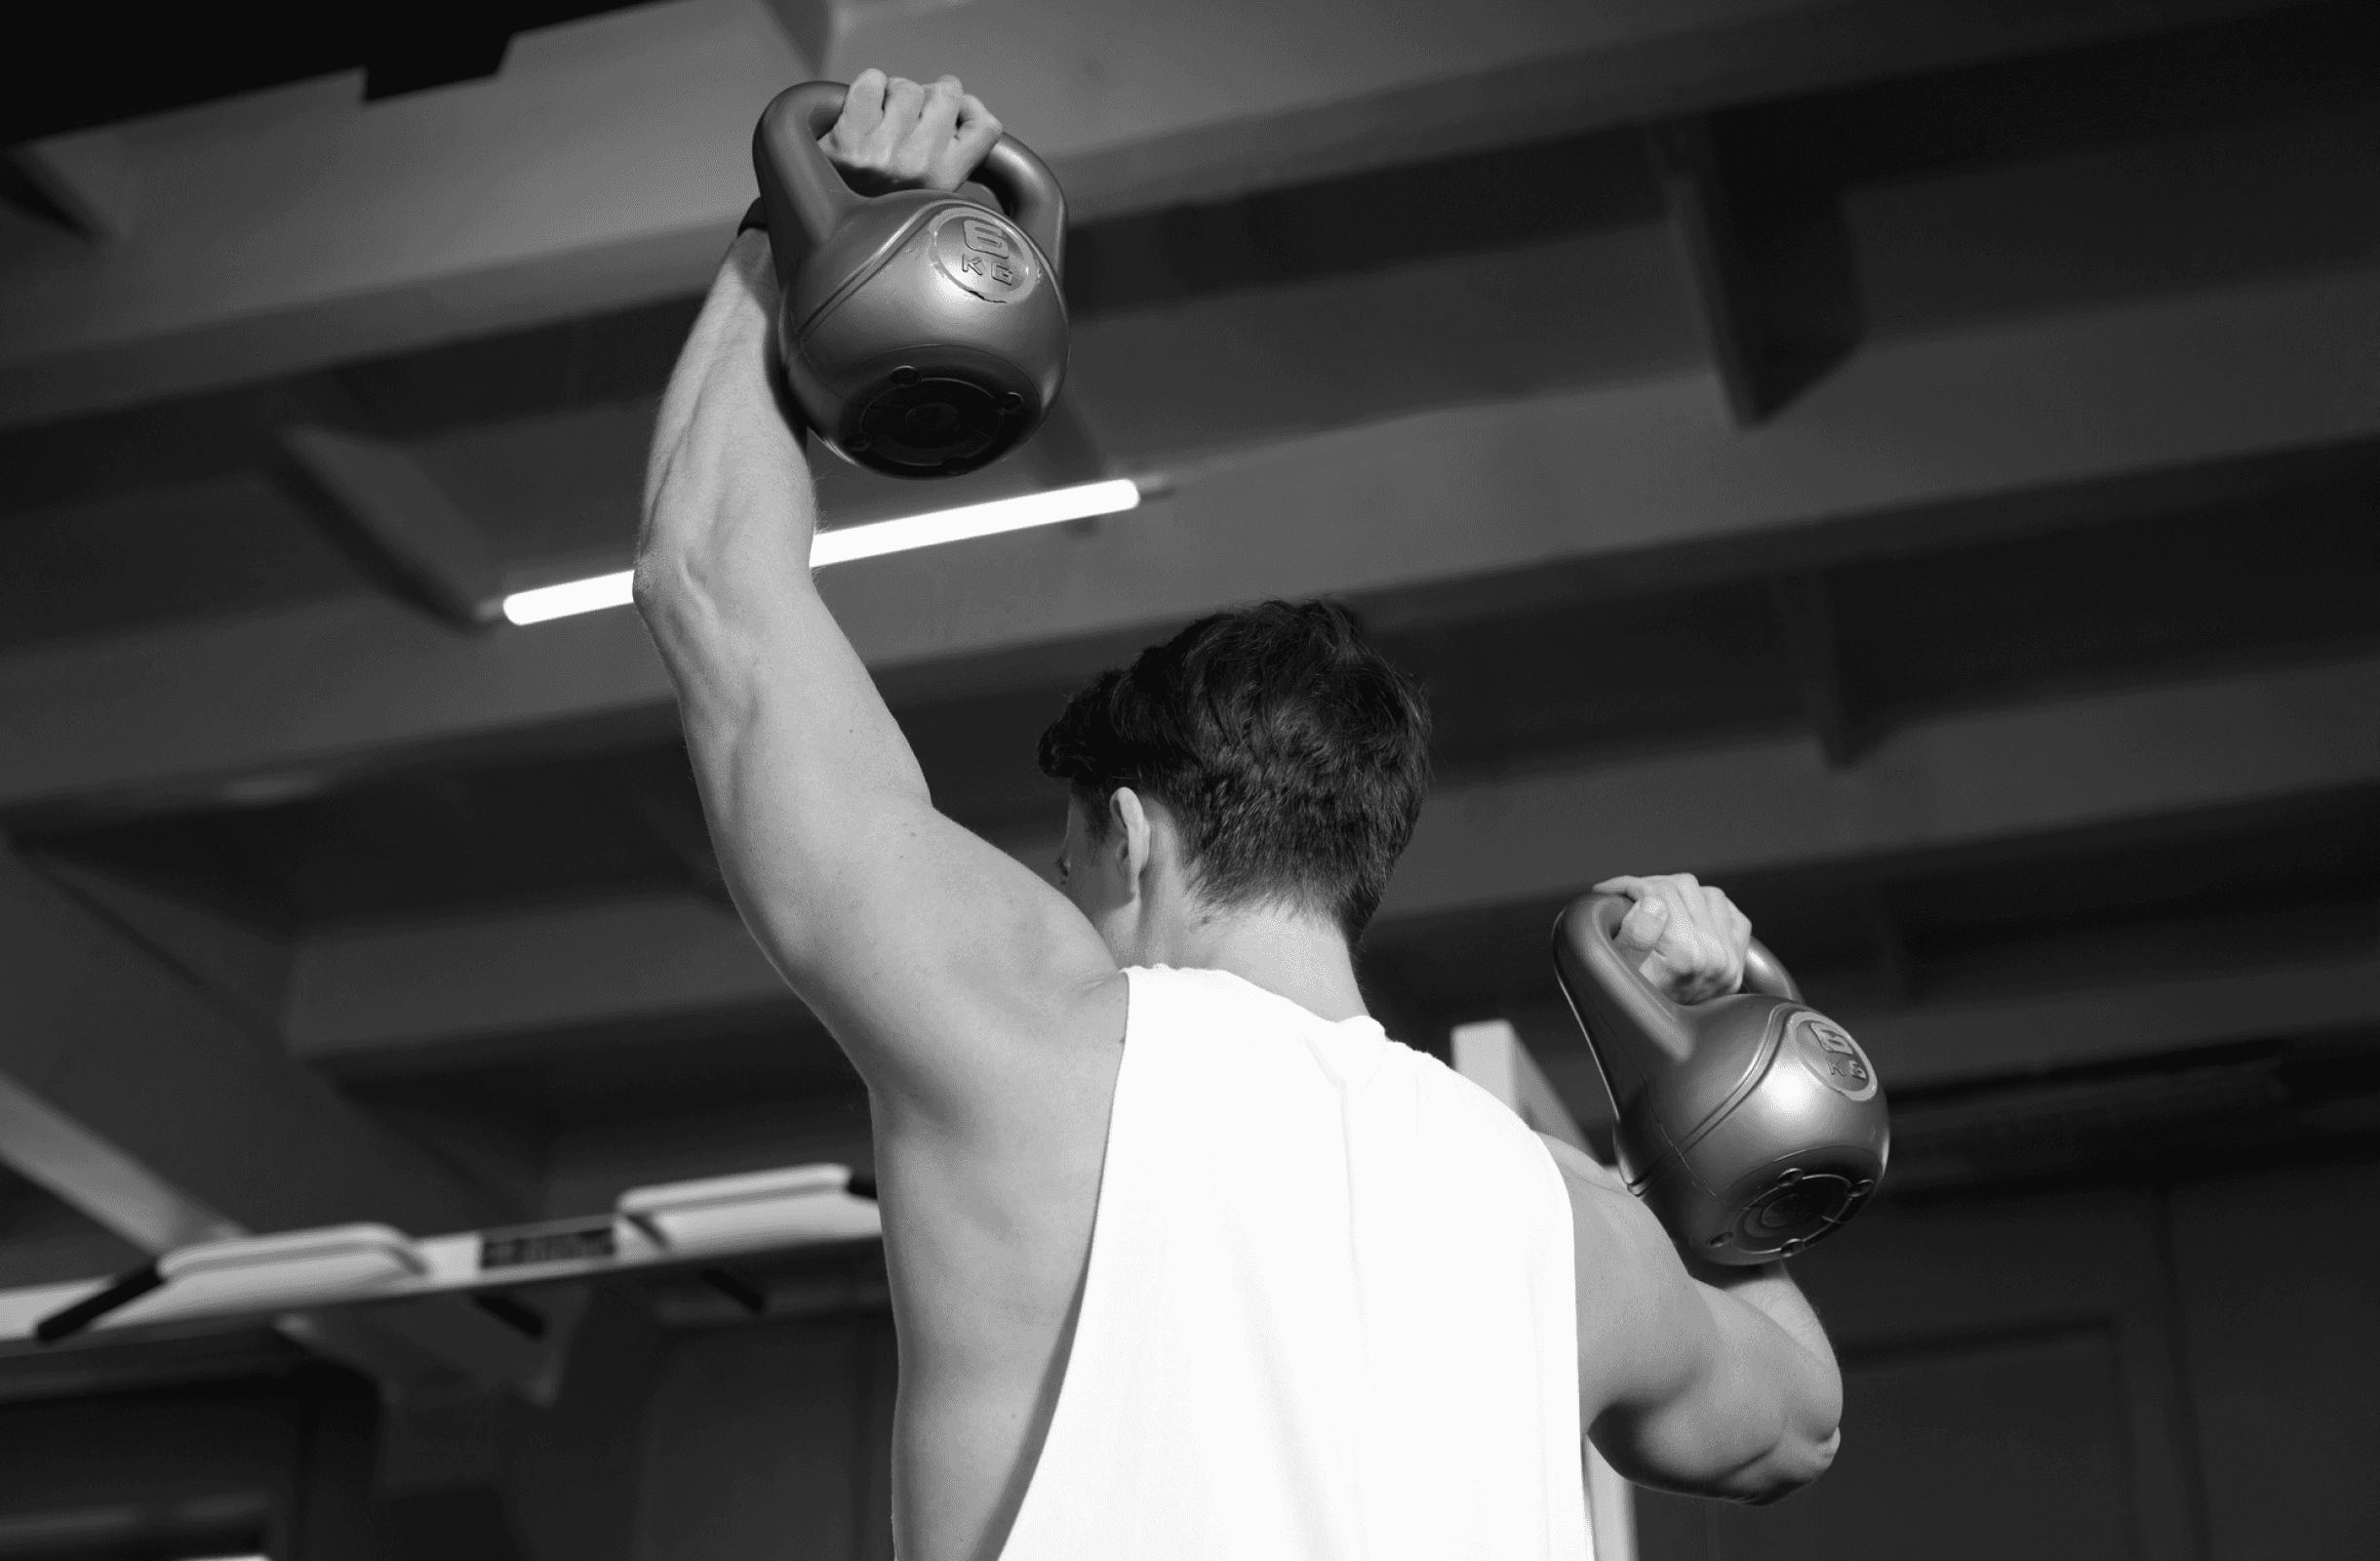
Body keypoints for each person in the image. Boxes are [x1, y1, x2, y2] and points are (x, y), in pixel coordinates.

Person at [638, 69, 1842, 1561]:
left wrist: (801, 229)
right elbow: (1796, 1416)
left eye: (1072, 869)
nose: (1071, 913)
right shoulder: (1562, 1217)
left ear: (1131, 836)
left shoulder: (1039, 1033)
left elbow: (710, 577)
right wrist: (1704, 1067)